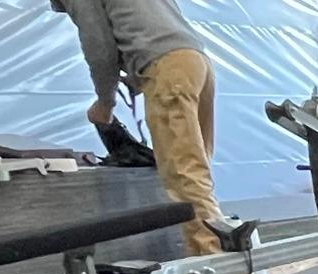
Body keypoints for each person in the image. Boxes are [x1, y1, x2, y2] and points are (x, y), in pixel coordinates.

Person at [51, 0, 252, 254]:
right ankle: (222, 252)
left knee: (184, 176)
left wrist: (105, 103)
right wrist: (139, 73)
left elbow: (99, 46)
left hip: (167, 69)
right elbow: (153, 24)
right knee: (197, 174)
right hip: (195, 62)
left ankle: (215, 263)